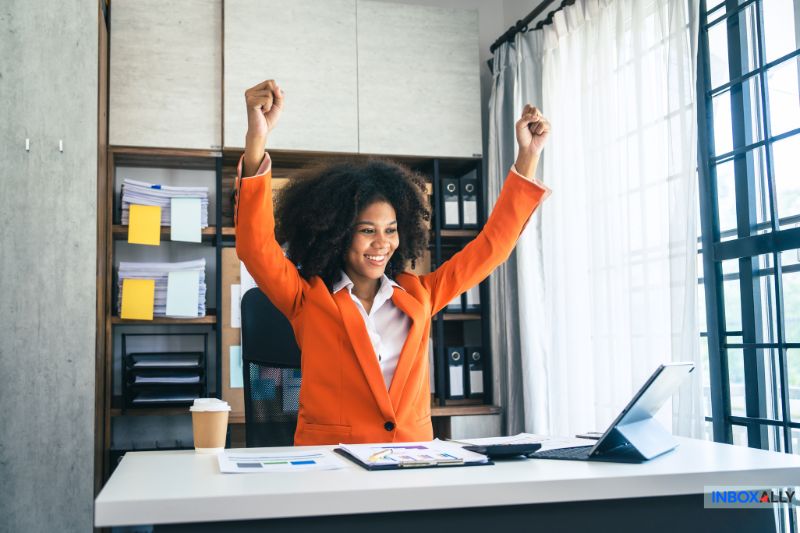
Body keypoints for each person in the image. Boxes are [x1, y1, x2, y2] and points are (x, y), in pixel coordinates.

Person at [235, 79, 551, 445]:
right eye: (367, 230)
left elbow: (490, 248)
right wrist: (256, 138)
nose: (381, 244)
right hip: (333, 468)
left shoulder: (420, 295)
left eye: (391, 230)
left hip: (412, 464)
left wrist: (527, 157)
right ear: (339, 233)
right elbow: (256, 247)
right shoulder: (308, 299)